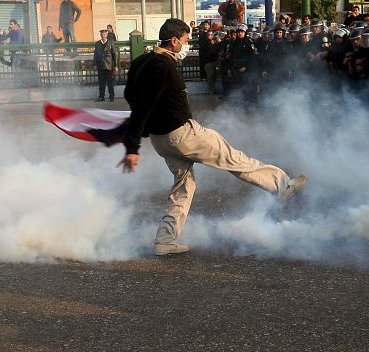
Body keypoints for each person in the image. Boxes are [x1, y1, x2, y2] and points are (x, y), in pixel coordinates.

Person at [118, 18, 308, 256]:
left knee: (183, 187)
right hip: (182, 134)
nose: (187, 46)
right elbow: (144, 104)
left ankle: (165, 240)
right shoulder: (162, 66)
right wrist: (132, 147)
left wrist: (146, 128)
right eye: (186, 41)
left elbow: (131, 96)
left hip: (161, 139)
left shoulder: (141, 61)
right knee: (233, 158)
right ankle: (282, 185)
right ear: (174, 41)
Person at [93, 28, 118, 102]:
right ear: (100, 35)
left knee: (110, 82)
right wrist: (95, 64)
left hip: (109, 66)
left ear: (107, 35)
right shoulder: (97, 44)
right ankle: (101, 97)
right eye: (102, 34)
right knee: (101, 83)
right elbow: (95, 55)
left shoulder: (111, 43)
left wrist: (116, 66)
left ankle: (111, 97)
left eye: (104, 34)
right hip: (100, 66)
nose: (103, 35)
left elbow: (114, 55)